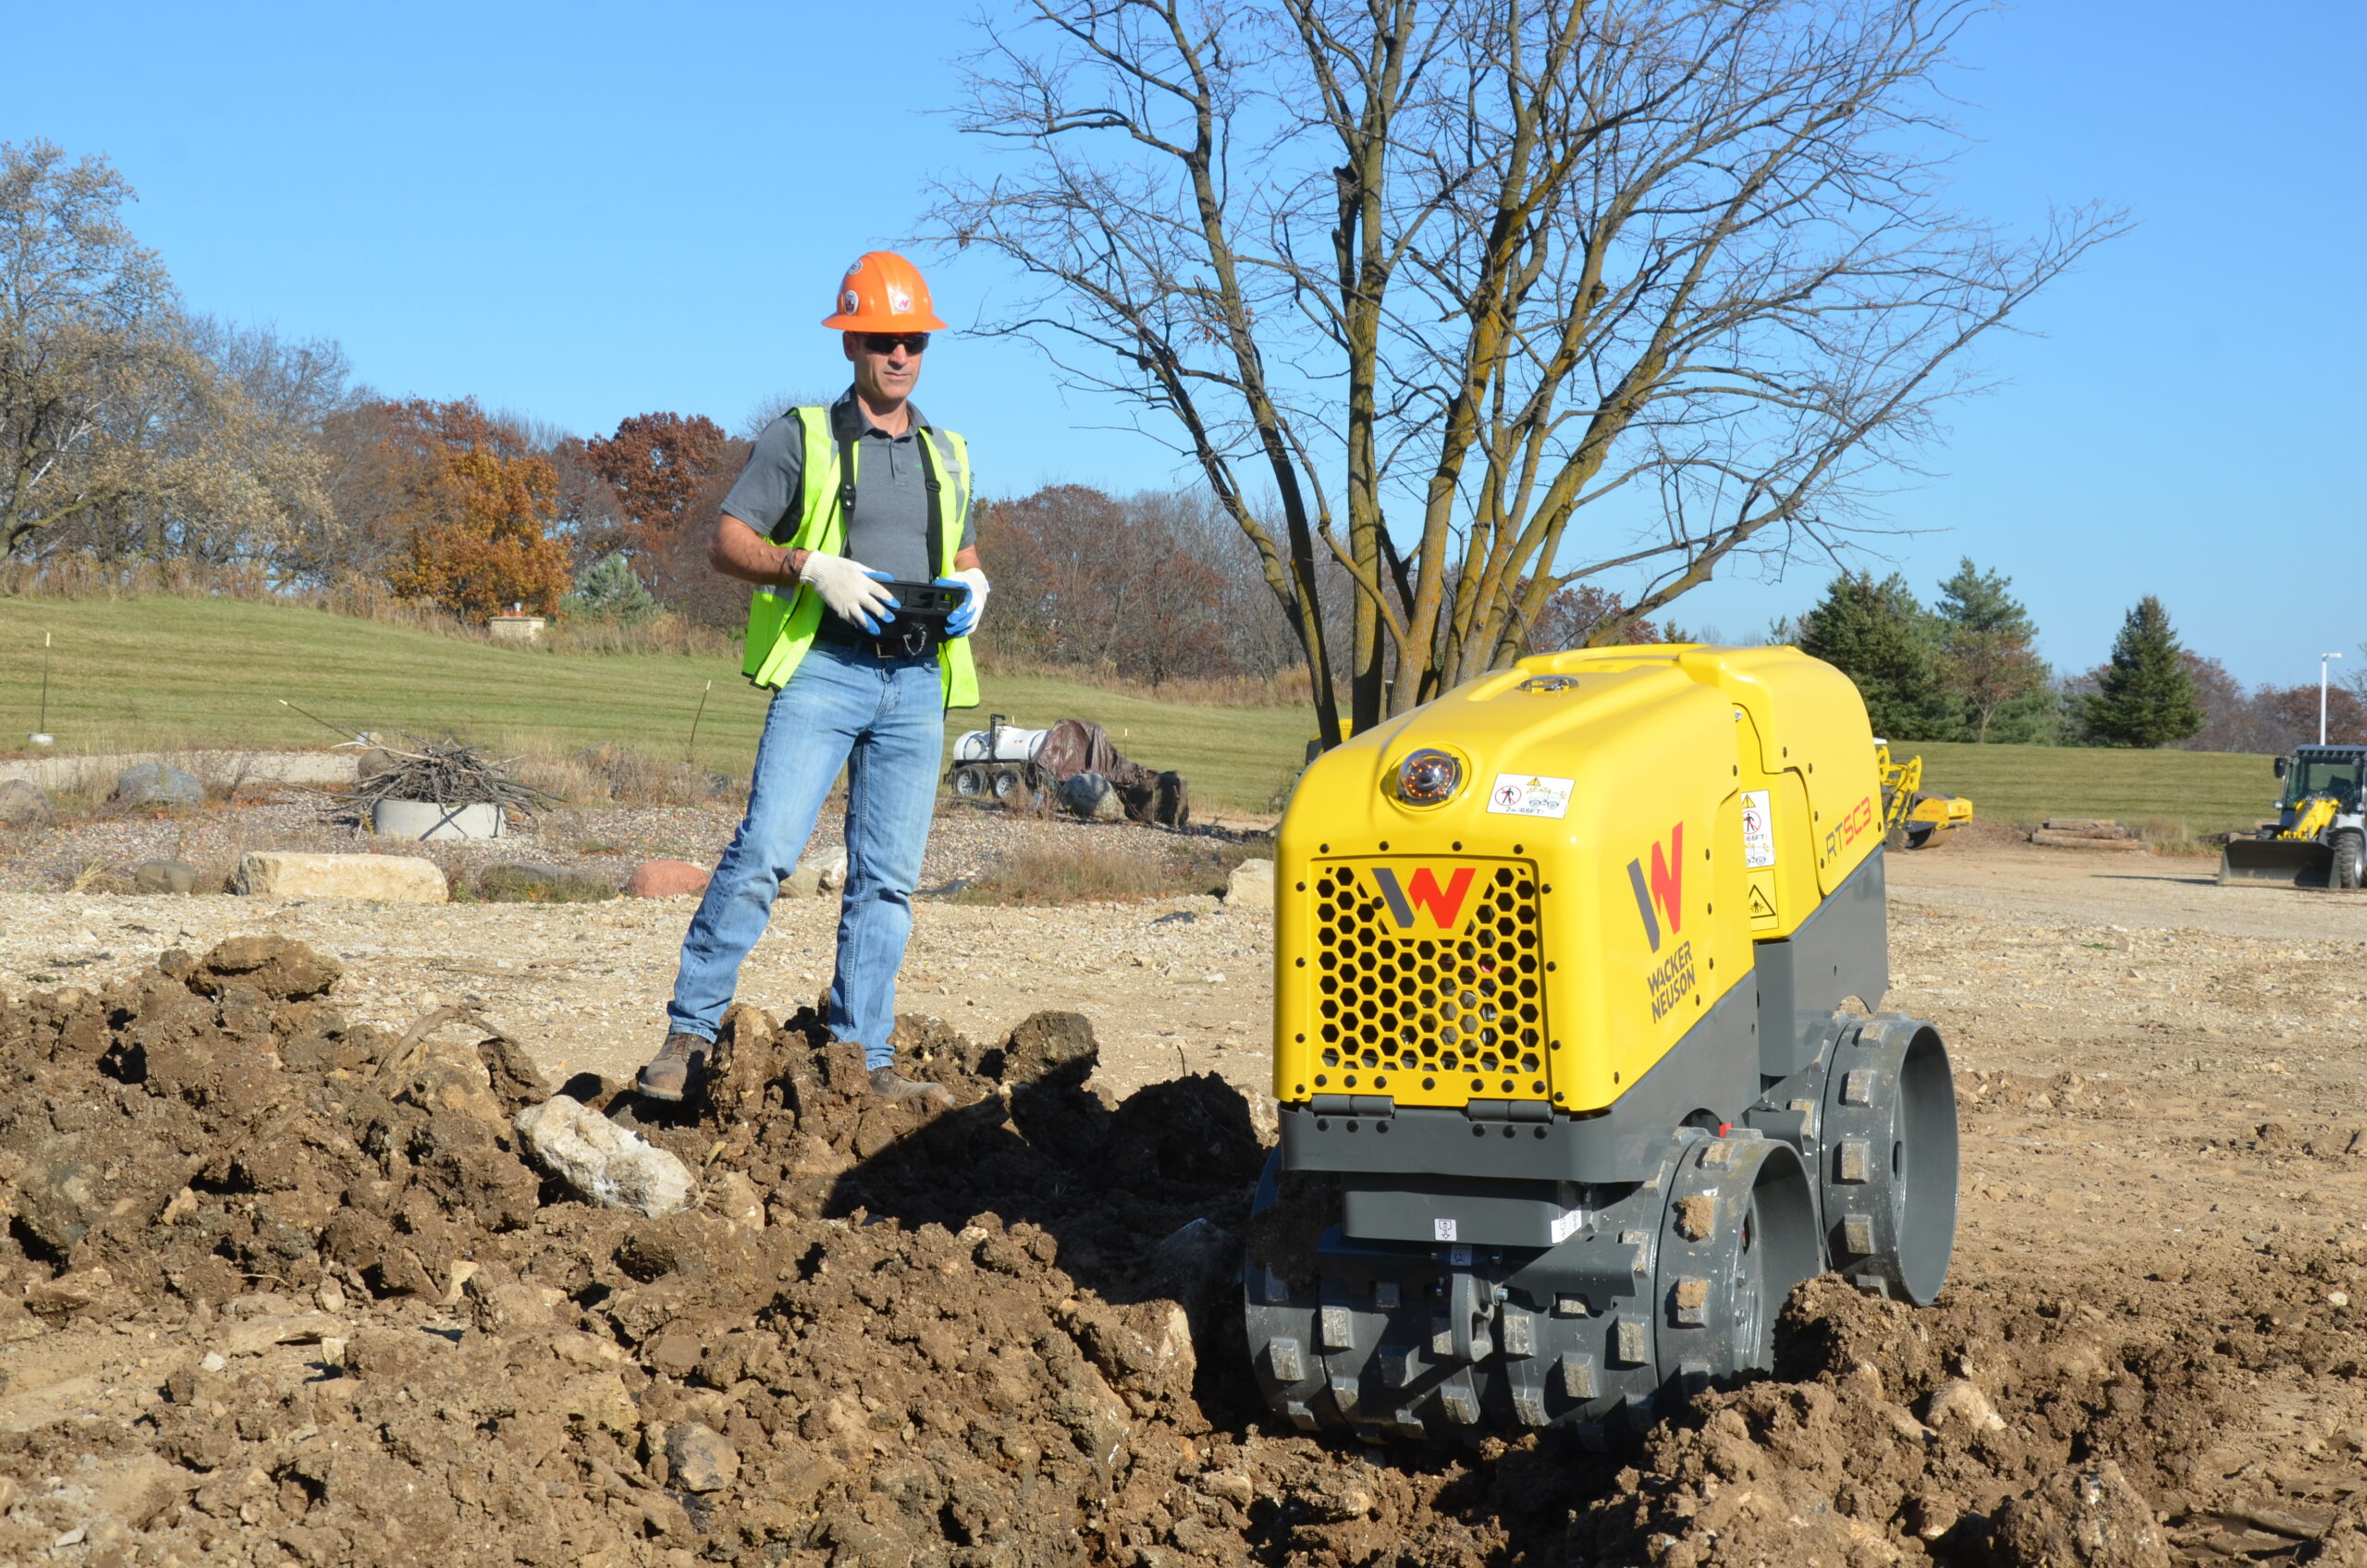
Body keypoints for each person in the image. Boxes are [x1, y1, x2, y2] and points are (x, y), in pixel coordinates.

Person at [635, 252, 987, 1107]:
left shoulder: (948, 453)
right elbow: (726, 542)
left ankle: (864, 1060)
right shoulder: (801, 437)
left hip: (915, 684)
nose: (899, 354)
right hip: (826, 672)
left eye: (914, 341)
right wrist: (809, 566)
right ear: (850, 343)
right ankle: (689, 1036)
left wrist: (976, 585)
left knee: (886, 883)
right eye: (883, 339)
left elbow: (963, 551)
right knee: (765, 852)